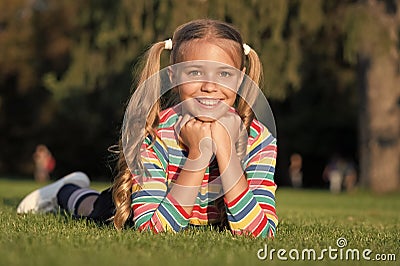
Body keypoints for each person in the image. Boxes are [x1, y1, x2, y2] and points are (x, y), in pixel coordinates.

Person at [17, 19, 278, 238]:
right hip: (142, 203)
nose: (210, 86)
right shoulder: (155, 134)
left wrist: (224, 147)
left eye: (224, 74)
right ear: (173, 77)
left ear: (242, 78)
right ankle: (66, 190)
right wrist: (199, 154)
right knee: (97, 209)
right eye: (195, 73)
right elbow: (154, 229)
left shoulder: (259, 140)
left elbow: (260, 232)